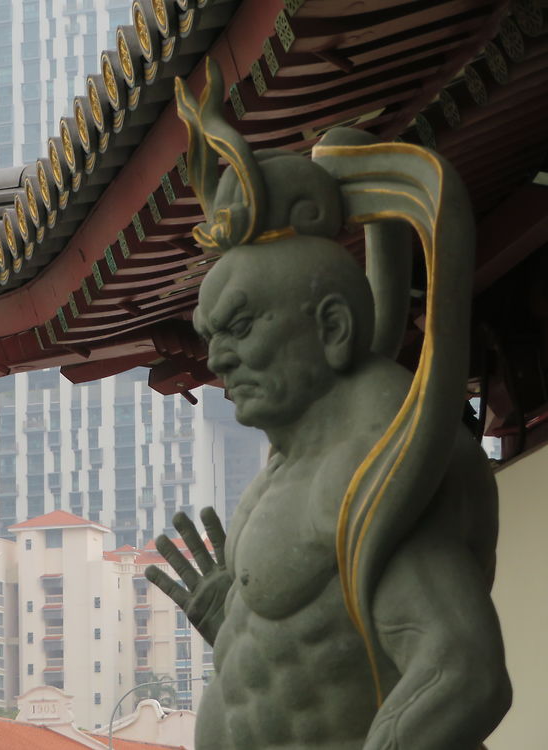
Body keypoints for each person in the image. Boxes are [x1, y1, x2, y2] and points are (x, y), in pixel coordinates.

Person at [145, 235, 512, 749]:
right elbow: (322, 644)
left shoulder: (377, 469)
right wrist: (232, 624)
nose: (219, 359)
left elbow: (461, 673)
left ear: (332, 327)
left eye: (241, 328)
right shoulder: (282, 477)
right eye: (211, 337)